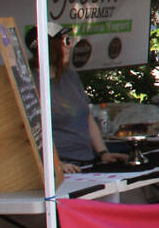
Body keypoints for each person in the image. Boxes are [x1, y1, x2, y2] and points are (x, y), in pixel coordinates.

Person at [25, 23, 127, 173]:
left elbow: (87, 117)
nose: (70, 46)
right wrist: (55, 164)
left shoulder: (70, 76)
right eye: (65, 41)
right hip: (61, 166)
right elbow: (29, 132)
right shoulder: (30, 83)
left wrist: (102, 153)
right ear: (50, 47)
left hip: (86, 160)